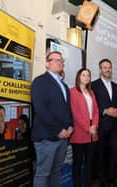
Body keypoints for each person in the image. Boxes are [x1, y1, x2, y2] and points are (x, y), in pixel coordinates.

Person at [31, 51, 74, 187]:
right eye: (55, 60)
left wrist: (70, 126)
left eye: (61, 60)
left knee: (56, 172)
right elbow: (41, 110)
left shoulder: (64, 86)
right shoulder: (39, 82)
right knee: (43, 174)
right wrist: (58, 130)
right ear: (47, 64)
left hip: (63, 137)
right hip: (46, 138)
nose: (59, 62)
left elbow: (67, 109)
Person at [91, 58, 117, 187]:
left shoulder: (116, 86)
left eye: (109, 67)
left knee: (116, 151)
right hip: (101, 126)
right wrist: (105, 111)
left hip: (115, 126)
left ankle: (111, 177)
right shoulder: (93, 85)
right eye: (104, 67)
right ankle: (102, 179)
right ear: (100, 69)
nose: (107, 69)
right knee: (101, 154)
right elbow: (92, 105)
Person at [69, 68, 99, 187]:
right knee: (77, 163)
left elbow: (96, 111)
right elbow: (74, 113)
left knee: (89, 163)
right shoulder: (72, 91)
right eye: (84, 75)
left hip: (92, 133)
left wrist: (95, 126)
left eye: (88, 75)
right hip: (79, 133)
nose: (86, 77)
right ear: (78, 77)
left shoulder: (91, 92)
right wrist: (88, 127)